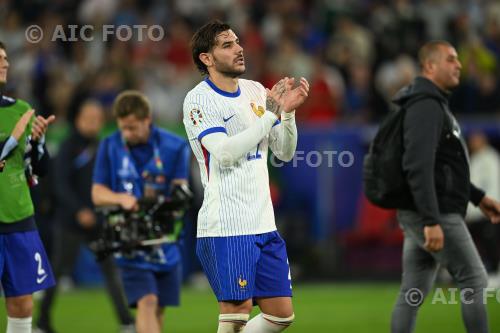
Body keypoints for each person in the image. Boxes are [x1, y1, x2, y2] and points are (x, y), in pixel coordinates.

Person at [183, 20, 309, 333]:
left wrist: (287, 113)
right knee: (236, 313)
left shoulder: (255, 91)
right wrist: (269, 115)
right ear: (206, 58)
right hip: (227, 224)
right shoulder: (199, 100)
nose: (239, 49)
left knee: (281, 315)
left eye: (238, 42)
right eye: (227, 45)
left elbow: (284, 151)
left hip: (263, 223)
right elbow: (224, 153)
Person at [390, 40, 500, 333]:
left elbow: (444, 168)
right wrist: (431, 220)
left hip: (422, 211)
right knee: (475, 280)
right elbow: (418, 165)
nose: (459, 64)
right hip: (436, 212)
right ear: (430, 66)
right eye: (451, 59)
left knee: (412, 292)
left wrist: (477, 197)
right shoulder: (426, 106)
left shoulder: (427, 103)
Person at [91, 90, 190, 333]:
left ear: (148, 119)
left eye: (132, 128)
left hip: (165, 242)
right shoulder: (110, 144)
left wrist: (161, 205)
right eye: (122, 128)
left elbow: (181, 191)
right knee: (147, 302)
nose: (126, 134)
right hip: (129, 242)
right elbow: (97, 193)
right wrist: (121, 198)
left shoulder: (175, 146)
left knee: (158, 309)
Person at [35, 100, 135, 333]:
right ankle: (42, 323)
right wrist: (78, 210)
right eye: (89, 118)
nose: (94, 122)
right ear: (78, 119)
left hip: (97, 223)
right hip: (69, 223)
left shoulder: (102, 146)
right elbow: (60, 185)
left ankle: (126, 322)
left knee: (111, 272)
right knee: (57, 274)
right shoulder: (68, 147)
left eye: (97, 118)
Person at [0, 40, 56, 333]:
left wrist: (38, 141)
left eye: (6, 57)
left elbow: (39, 169)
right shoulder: (19, 120)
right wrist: (12, 139)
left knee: (22, 302)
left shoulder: (21, 110)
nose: (5, 63)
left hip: (20, 217)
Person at [466, 132, 500, 287]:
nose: (473, 142)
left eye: (476, 139)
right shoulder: (474, 159)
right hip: (473, 213)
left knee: (491, 244)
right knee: (474, 246)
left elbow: (493, 186)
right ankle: (484, 276)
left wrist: (490, 206)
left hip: (487, 211)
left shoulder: (490, 158)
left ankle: (495, 275)